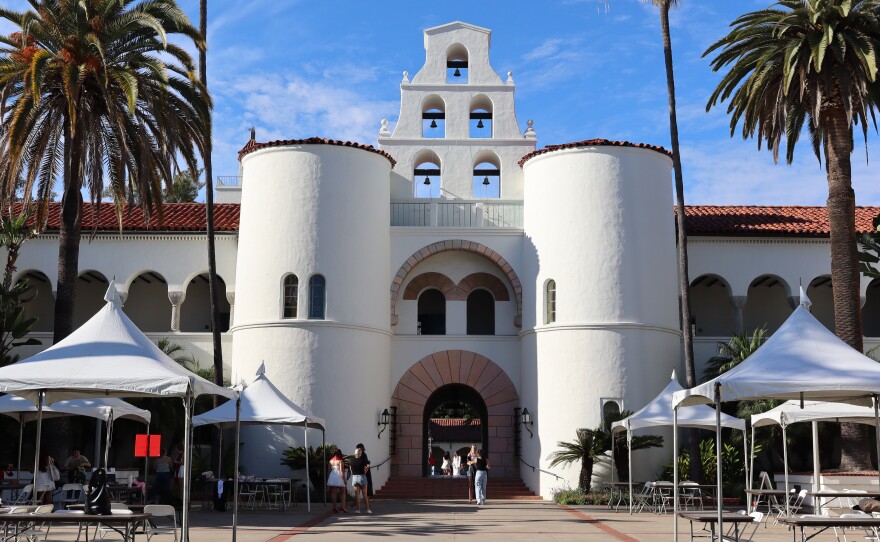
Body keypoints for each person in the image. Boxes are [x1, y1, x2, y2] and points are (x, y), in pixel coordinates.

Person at [348, 447, 372, 514]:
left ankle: (358, 510)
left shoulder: (351, 461)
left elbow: (351, 471)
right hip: (362, 477)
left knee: (357, 495)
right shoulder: (363, 461)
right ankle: (368, 509)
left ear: (355, 453)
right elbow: (365, 471)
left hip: (355, 478)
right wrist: (368, 467)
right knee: (365, 495)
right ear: (361, 453)